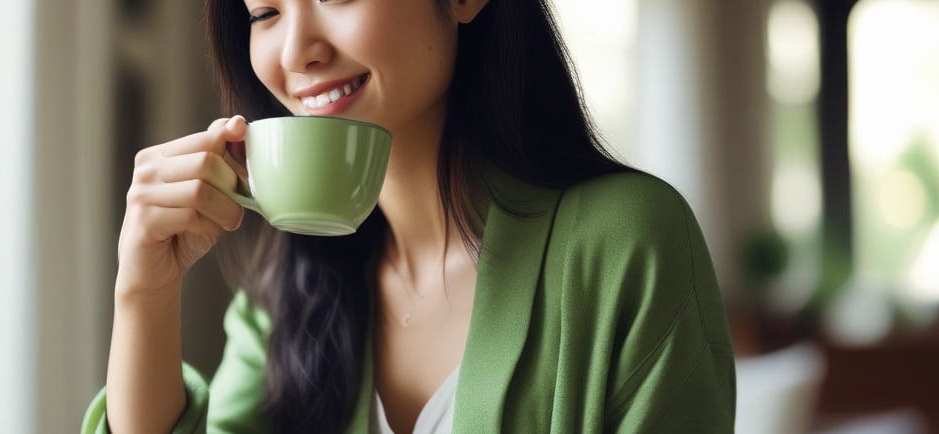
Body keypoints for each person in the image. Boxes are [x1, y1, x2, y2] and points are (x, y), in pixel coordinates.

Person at [82, 0, 737, 432]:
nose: (296, 50)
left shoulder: (627, 241)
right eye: (266, 12)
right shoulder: (282, 299)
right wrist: (144, 292)